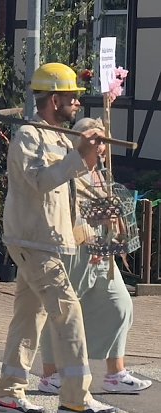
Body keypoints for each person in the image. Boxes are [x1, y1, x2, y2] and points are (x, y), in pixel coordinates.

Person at [0, 62, 116, 413]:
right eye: (73, 97)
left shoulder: (59, 137)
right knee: (68, 309)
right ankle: (75, 399)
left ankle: (8, 394)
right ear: (54, 98)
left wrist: (96, 197)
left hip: (49, 240)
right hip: (32, 239)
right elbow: (42, 182)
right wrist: (81, 157)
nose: (78, 103)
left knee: (29, 317)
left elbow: (72, 188)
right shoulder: (28, 136)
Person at [37, 117, 151, 395]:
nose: (101, 147)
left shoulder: (100, 170)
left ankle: (115, 373)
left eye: (103, 141)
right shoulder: (67, 165)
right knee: (61, 311)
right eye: (96, 141)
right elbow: (63, 207)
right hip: (72, 248)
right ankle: (51, 374)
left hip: (101, 250)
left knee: (119, 305)